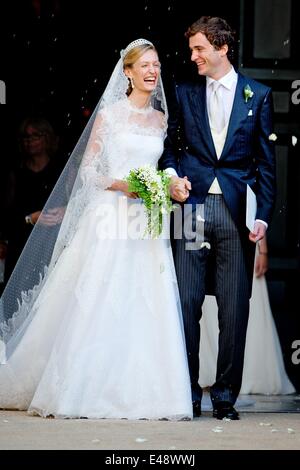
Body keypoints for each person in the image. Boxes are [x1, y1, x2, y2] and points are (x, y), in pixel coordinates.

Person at [0, 39, 192, 420]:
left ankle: (145, 392)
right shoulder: (110, 117)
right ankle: (83, 383)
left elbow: (161, 165)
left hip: (145, 223)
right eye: (145, 66)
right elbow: (88, 172)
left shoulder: (159, 121)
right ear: (128, 72)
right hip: (110, 216)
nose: (153, 72)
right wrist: (126, 185)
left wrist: (166, 184)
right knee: (99, 297)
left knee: (146, 301)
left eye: (156, 65)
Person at [159, 16, 276, 419]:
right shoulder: (185, 91)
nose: (193, 57)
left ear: (222, 48)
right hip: (190, 210)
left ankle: (224, 395)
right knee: (187, 301)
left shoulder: (257, 95)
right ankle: (187, 392)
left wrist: (262, 219)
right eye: (192, 49)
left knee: (233, 307)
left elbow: (265, 164)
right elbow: (169, 148)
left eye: (199, 49)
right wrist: (173, 177)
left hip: (234, 213)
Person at [199, 237, 296, 395]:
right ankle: (210, 374)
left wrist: (263, 250)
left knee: (245, 311)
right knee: (210, 310)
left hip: (244, 242)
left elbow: (254, 214)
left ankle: (242, 376)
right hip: (210, 242)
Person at [1, 117, 63, 285]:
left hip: (52, 242)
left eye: (35, 136)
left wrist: (65, 209)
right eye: (26, 137)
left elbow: (76, 201)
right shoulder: (16, 174)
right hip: (23, 246)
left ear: (47, 137)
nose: (30, 141)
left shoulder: (61, 170)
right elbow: (6, 218)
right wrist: (30, 219)